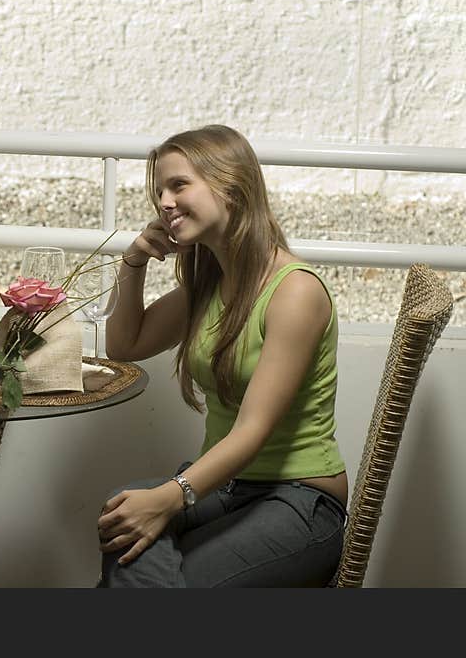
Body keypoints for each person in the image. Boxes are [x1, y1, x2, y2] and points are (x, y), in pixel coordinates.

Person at [97, 125, 348, 587]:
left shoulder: (295, 291)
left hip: (298, 500)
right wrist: (133, 263)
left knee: (142, 565)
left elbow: (253, 430)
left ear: (230, 186)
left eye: (178, 185)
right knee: (122, 509)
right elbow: (124, 346)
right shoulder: (210, 285)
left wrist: (172, 497)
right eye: (159, 193)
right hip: (224, 488)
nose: (164, 203)